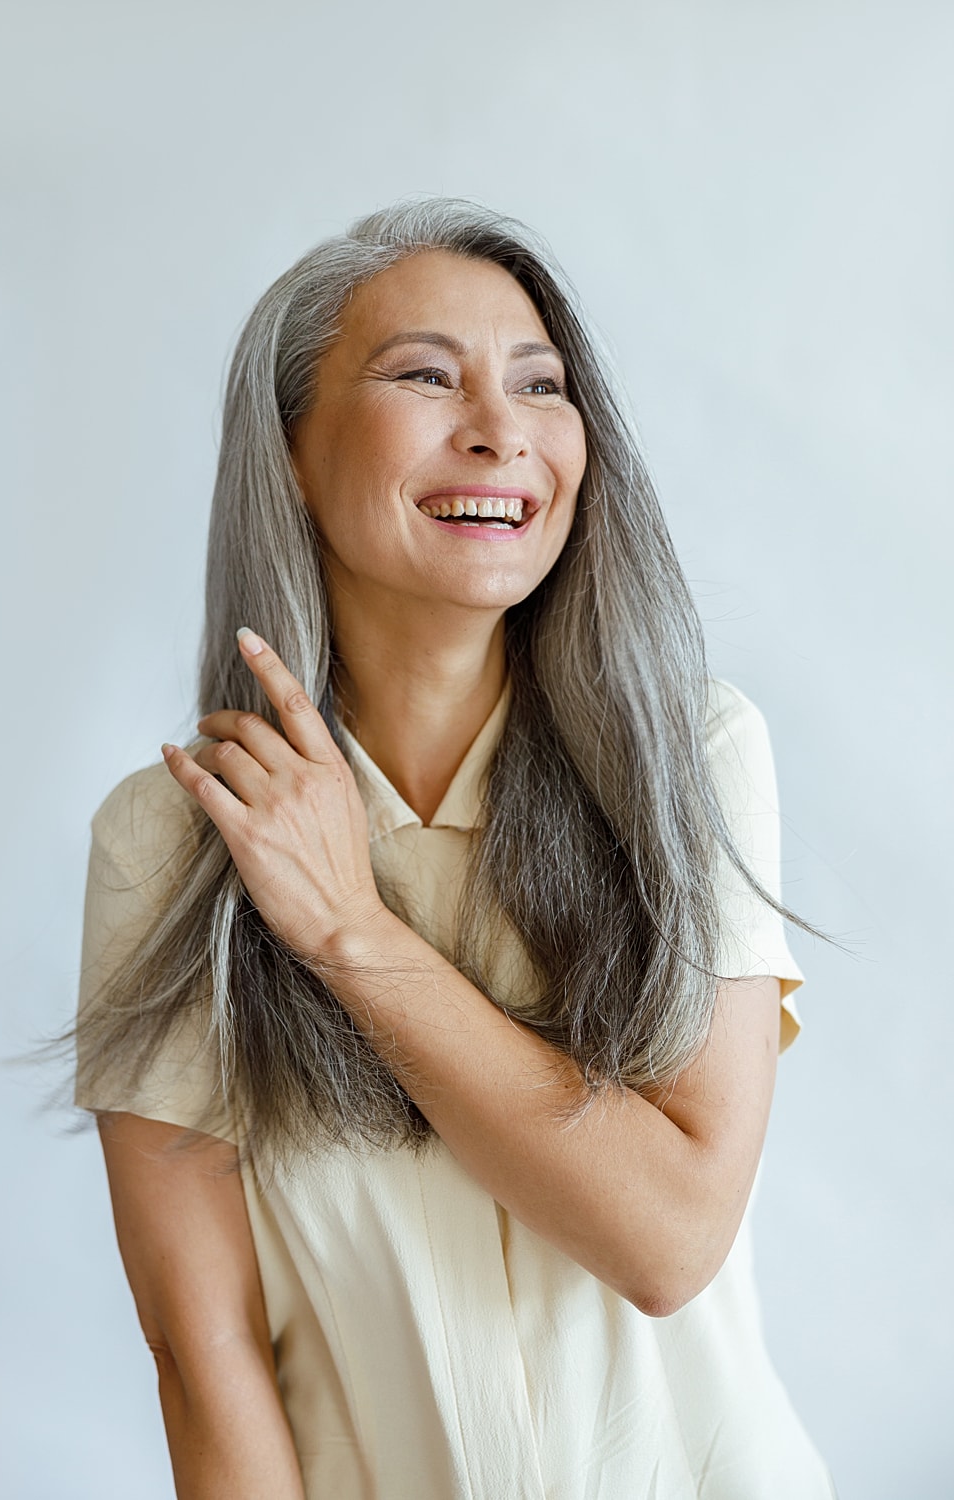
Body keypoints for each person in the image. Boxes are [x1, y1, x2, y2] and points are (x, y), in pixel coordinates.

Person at [75, 198, 835, 1499]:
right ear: (290, 454)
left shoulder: (693, 757)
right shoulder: (173, 838)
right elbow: (204, 1353)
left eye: (540, 385)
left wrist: (351, 934)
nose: (501, 430)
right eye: (425, 376)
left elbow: (669, 1241)